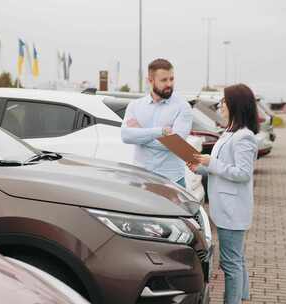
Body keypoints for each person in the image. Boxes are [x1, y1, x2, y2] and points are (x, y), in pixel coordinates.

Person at [187, 83, 259, 304]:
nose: (221, 106)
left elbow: (243, 173)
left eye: (224, 102)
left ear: (236, 105)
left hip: (233, 211)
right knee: (236, 260)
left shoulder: (244, 137)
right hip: (226, 209)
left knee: (230, 263)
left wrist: (212, 163)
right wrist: (199, 166)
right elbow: (221, 166)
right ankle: (241, 298)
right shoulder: (230, 132)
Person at [120, 58, 193, 187]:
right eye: (164, 80)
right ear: (150, 80)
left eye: (171, 79)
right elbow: (126, 136)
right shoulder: (135, 106)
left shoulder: (183, 107)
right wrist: (160, 131)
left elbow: (177, 145)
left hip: (172, 180)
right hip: (140, 178)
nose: (169, 84)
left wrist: (140, 134)